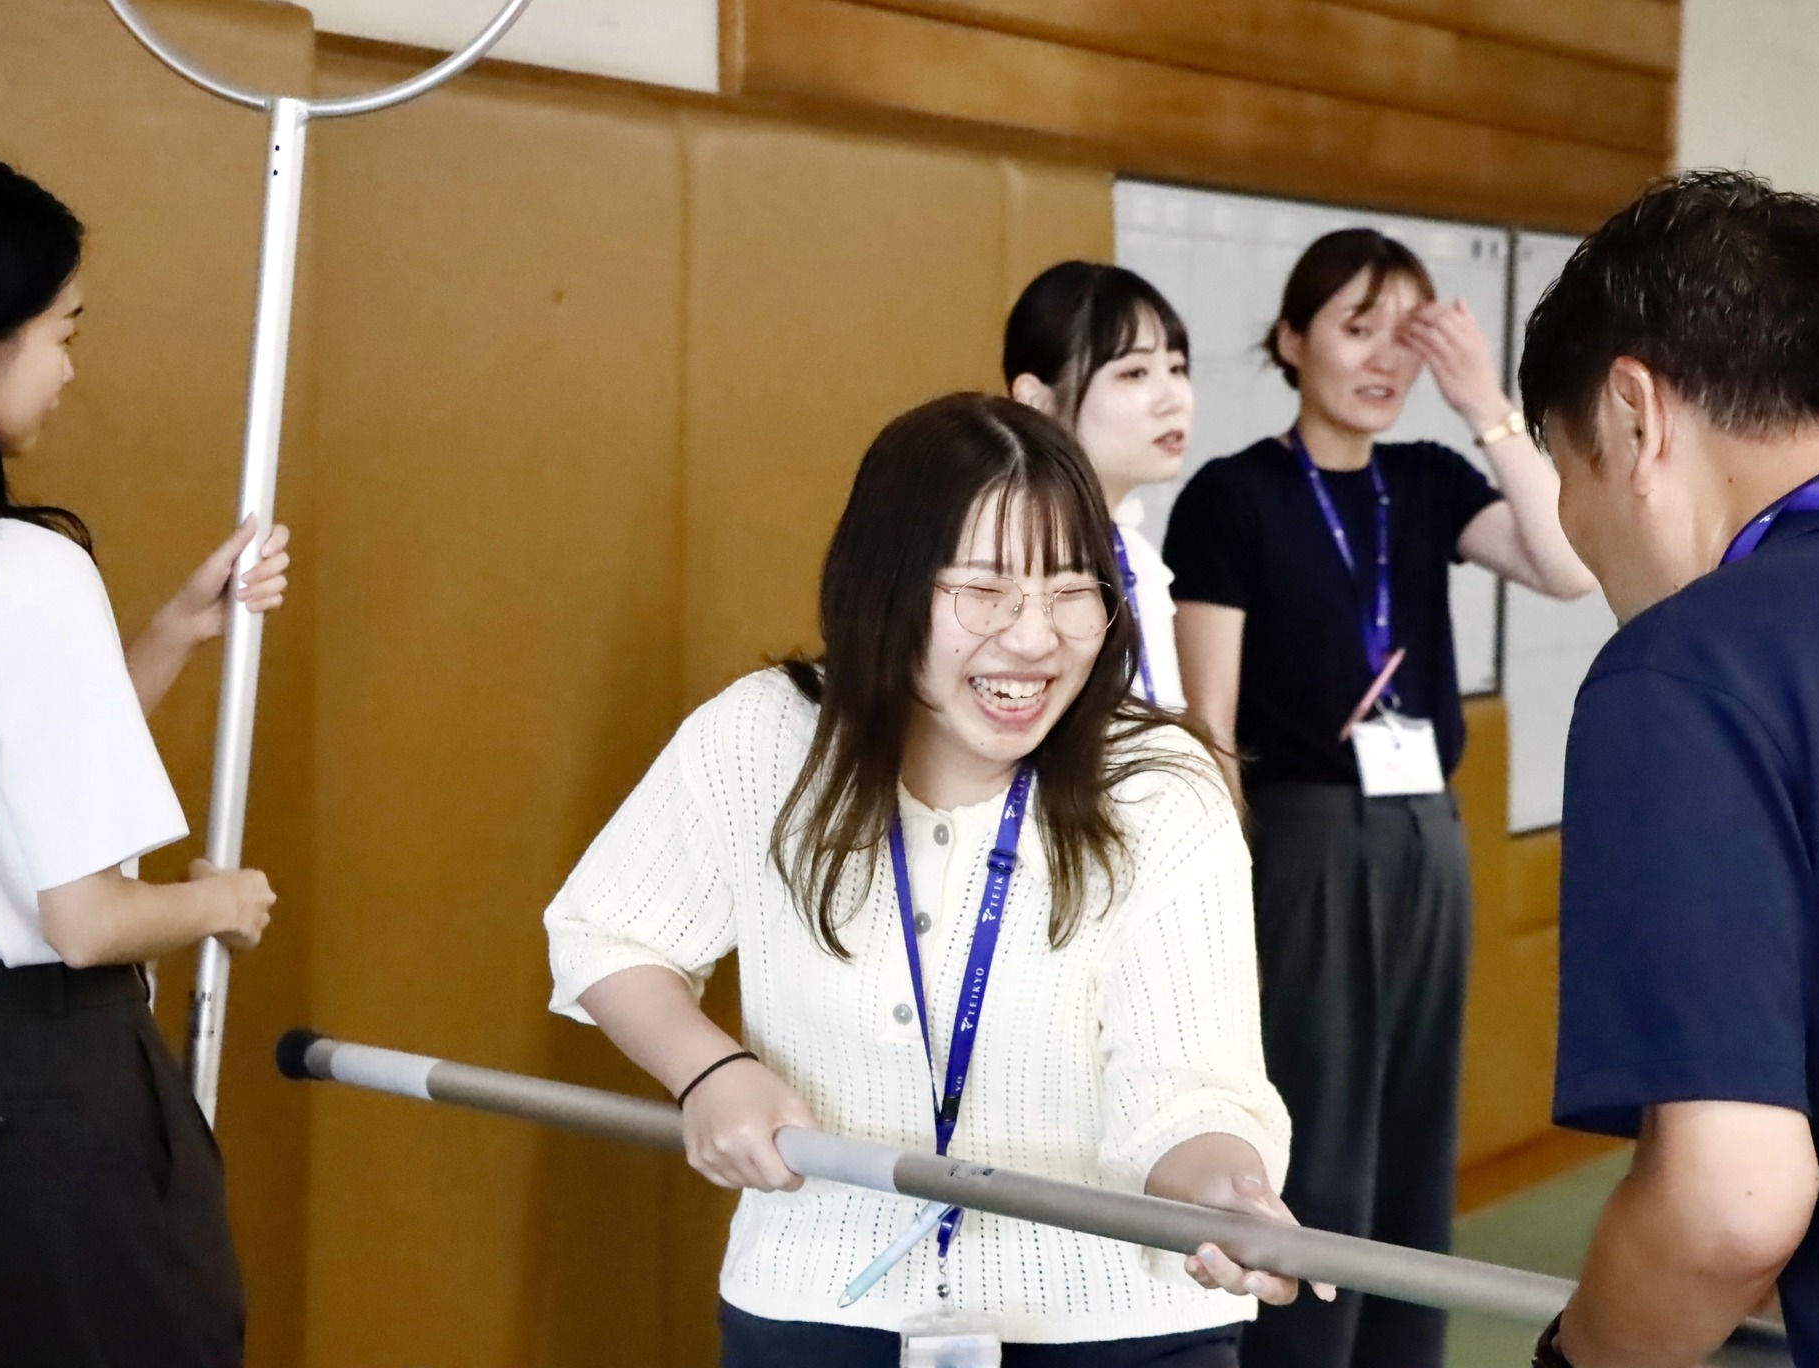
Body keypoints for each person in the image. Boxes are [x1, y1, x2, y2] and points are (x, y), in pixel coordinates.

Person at [544, 393, 1320, 1366]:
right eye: (985, 590)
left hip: (1114, 1326)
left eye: (1071, 589)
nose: (1034, 639)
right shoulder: (763, 737)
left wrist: (1221, 1191)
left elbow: (1186, 1087)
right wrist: (708, 1071)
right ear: (887, 586)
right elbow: (609, 931)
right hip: (819, 1306)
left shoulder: (1159, 788)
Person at [1519, 170, 1819, 1368]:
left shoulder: (1689, 671)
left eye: (1563, 469)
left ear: (1632, 417)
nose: (1575, 525)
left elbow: (1724, 1208)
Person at [1162, 229, 1595, 1368]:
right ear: (1291, 339)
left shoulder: (1428, 479)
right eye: (1356, 329)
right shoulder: (1234, 494)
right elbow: (1210, 722)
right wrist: (1224, 898)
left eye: (1405, 335)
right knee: (1317, 1129)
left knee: (1413, 1128)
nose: (1384, 359)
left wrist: (1486, 405)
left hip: (1426, 833)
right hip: (1302, 837)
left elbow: (1567, 565)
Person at [0, 151, 286, 1367]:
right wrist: (222, 902)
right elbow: (87, 919)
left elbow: (10, 776)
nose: (69, 369)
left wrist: (171, 633)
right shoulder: (21, 574)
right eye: (61, 332)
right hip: (30, 1088)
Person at [1005, 260, 1193, 708]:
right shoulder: (1011, 554)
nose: (1174, 399)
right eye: (1135, 373)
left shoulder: (1136, 554)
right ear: (1037, 400)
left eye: (1177, 368)